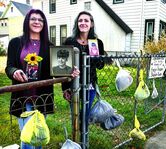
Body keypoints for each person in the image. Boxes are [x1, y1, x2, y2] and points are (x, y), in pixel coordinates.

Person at [5, 9, 79, 149]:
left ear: (44, 24)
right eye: (33, 19)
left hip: (42, 97)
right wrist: (14, 71)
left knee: (39, 136)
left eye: (40, 20)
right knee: (27, 138)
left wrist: (70, 72)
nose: (37, 22)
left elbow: (57, 71)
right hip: (22, 96)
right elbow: (9, 67)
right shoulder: (15, 43)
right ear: (27, 21)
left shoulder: (49, 46)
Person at [63, 11, 105, 120]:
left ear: (91, 24)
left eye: (86, 20)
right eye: (80, 20)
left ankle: (84, 136)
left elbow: (100, 66)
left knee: (85, 114)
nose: (83, 23)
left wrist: (95, 55)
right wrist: (65, 88)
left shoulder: (97, 42)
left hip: (90, 84)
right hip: (73, 84)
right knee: (75, 116)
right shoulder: (69, 41)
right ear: (77, 24)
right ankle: (76, 136)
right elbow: (63, 66)